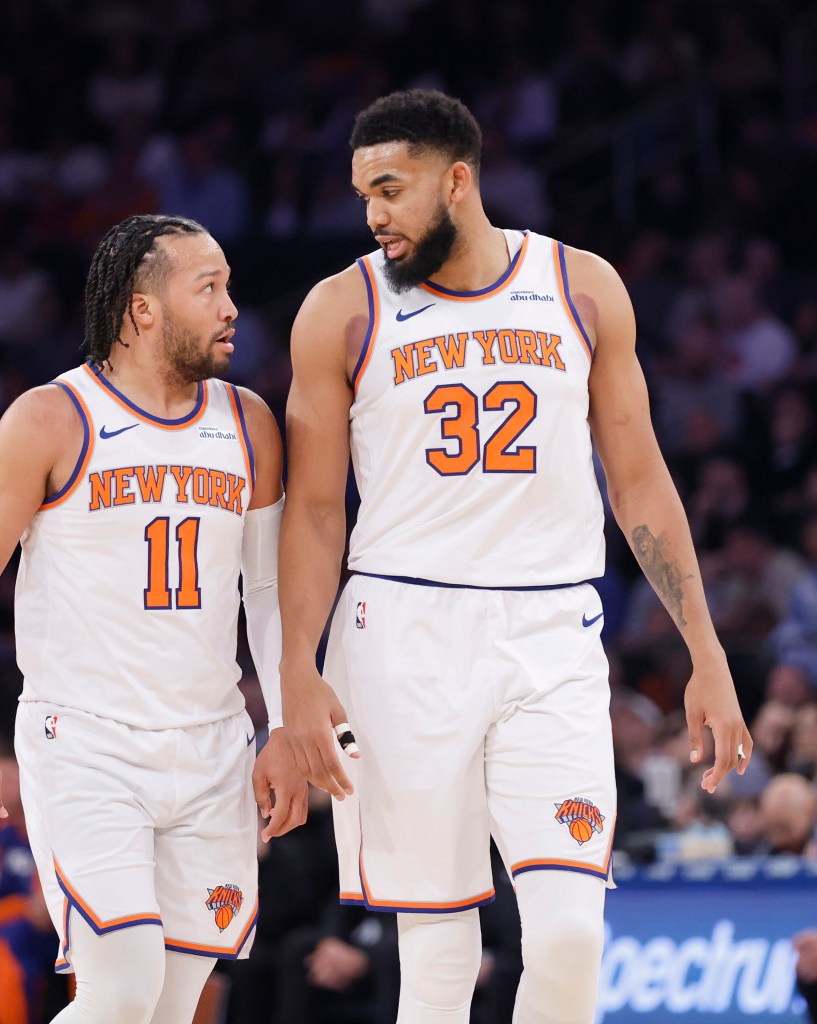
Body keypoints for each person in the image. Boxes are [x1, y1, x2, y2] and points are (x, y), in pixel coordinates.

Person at [277, 89, 753, 1024]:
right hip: (400, 633)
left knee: (572, 937)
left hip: (551, 627)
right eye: (361, 192)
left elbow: (641, 483)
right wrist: (296, 665)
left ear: (457, 182)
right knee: (438, 958)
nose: (372, 214)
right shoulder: (340, 307)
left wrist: (706, 651)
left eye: (390, 188)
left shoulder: (581, 285)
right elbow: (316, 510)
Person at [0, 213, 307, 1024]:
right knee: (122, 991)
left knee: (171, 1009)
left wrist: (283, 725)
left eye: (229, 287)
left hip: (211, 745)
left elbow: (269, 591)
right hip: (89, 740)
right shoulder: (50, 417)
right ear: (142, 309)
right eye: (207, 288)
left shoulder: (249, 422)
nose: (230, 307)